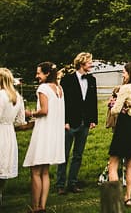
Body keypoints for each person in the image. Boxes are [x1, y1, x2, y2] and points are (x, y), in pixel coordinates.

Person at [23, 62, 65, 213]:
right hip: (54, 133)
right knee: (45, 171)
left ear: (47, 74)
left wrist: (30, 114)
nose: (36, 76)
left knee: (35, 171)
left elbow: (44, 110)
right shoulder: (59, 89)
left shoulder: (43, 88)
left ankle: (35, 207)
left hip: (43, 133)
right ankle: (42, 206)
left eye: (39, 73)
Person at [57, 51, 97, 196]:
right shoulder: (67, 80)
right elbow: (63, 103)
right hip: (70, 123)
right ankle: (60, 184)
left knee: (78, 155)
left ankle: (72, 183)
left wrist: (93, 120)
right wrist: (65, 121)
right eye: (89, 62)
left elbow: (93, 101)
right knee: (64, 155)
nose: (91, 64)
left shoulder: (92, 80)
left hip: (85, 122)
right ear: (81, 63)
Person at [107, 62, 131, 208]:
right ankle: (128, 197)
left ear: (130, 73)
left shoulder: (125, 88)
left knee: (113, 162)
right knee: (130, 162)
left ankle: (115, 198)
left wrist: (112, 104)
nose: (122, 75)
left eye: (124, 72)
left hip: (124, 126)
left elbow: (115, 110)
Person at [0, 67, 27, 207]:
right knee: (2, 169)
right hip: (9, 134)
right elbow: (20, 121)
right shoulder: (17, 97)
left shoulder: (0, 96)